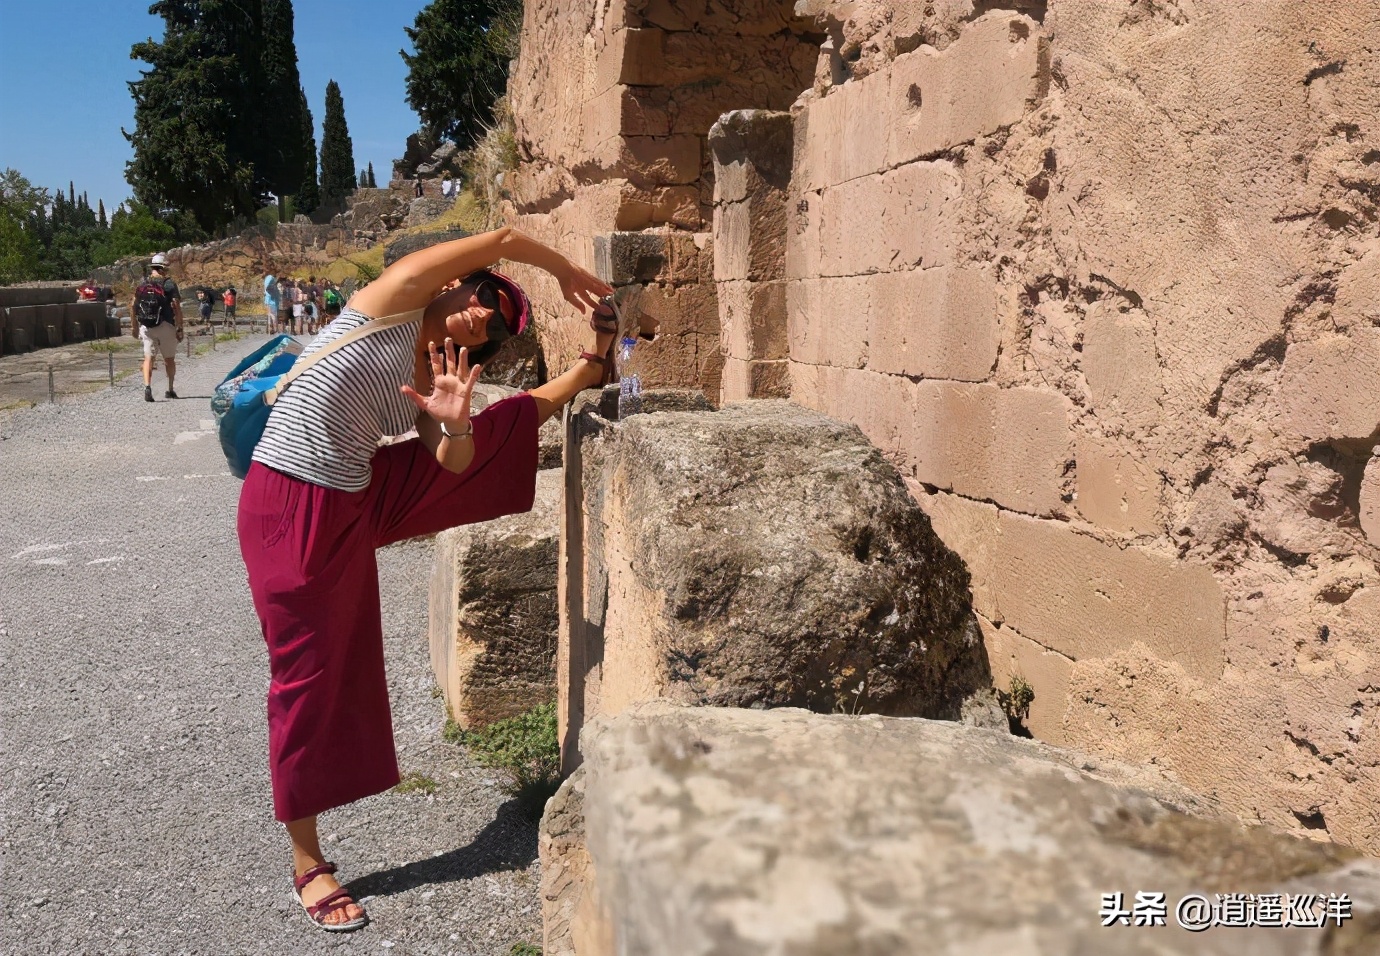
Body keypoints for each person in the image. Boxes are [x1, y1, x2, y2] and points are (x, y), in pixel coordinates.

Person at [237, 227, 616, 932]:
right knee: (307, 674)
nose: (487, 315)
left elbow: (449, 460)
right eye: (486, 295)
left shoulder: (438, 364)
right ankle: (306, 860)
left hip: (353, 495)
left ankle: (585, 375)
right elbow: (502, 237)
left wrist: (455, 420)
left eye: (499, 324)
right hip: (290, 500)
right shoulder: (394, 300)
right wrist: (566, 271)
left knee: (495, 434)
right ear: (458, 284)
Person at [129, 253, 184, 402]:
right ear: (163, 268)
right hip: (166, 325)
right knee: (169, 359)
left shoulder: (142, 284)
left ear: (152, 267)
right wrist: (180, 327)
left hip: (147, 326)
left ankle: (147, 387)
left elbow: (133, 305)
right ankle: (170, 389)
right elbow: (176, 306)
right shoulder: (169, 284)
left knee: (148, 358)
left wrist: (134, 326)